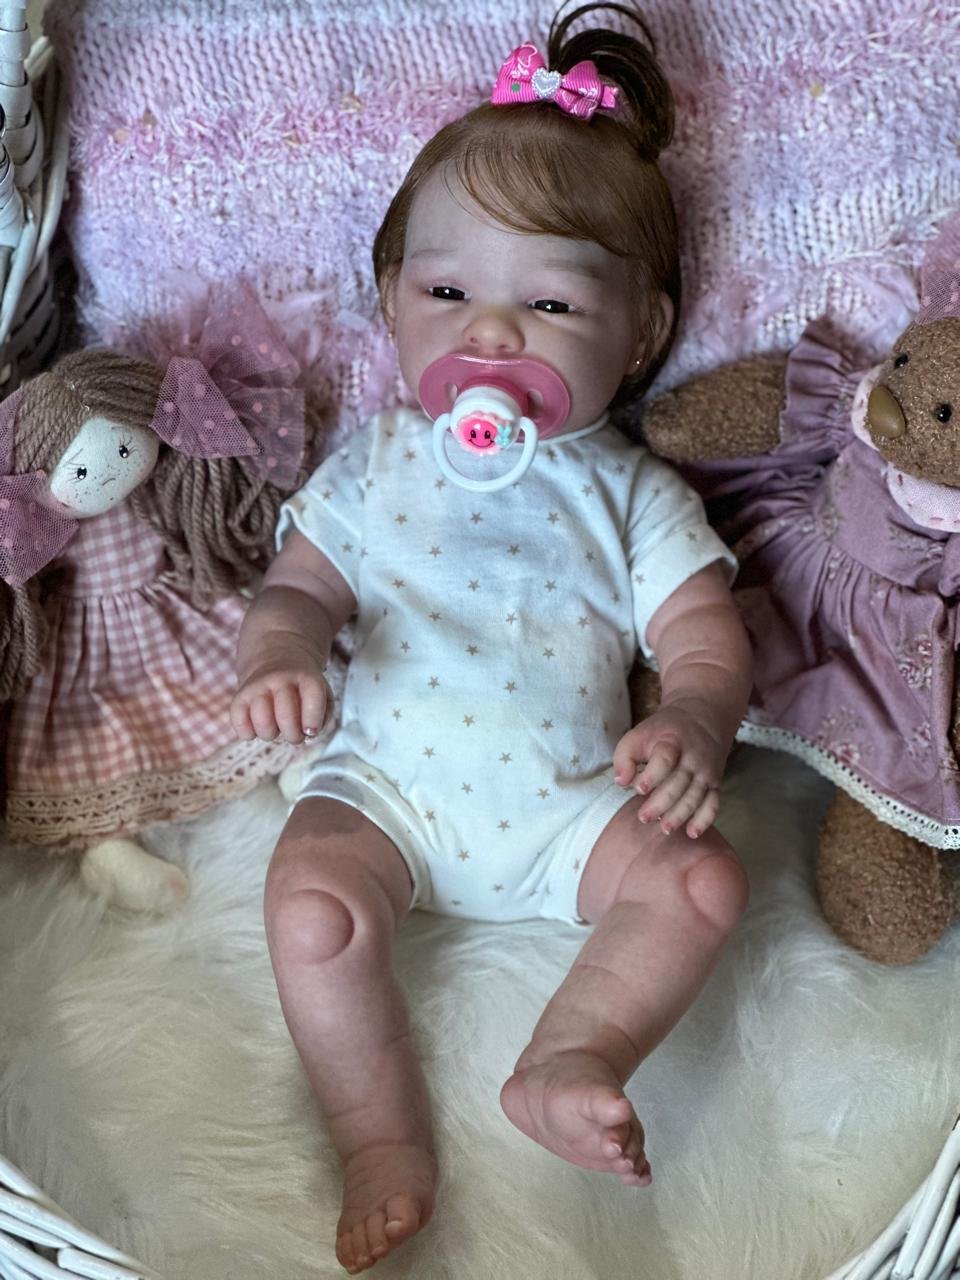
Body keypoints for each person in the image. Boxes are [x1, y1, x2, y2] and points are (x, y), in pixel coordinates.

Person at [231, 4, 752, 1272]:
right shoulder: (377, 465)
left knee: (701, 883)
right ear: (390, 303)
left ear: (642, 333)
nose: (493, 332)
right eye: (448, 290)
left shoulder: (629, 492)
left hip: (575, 809)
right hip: (385, 796)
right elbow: (298, 589)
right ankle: (378, 1135)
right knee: (311, 909)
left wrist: (694, 714)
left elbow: (701, 631)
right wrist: (280, 653)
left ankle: (572, 1052)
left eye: (551, 300)